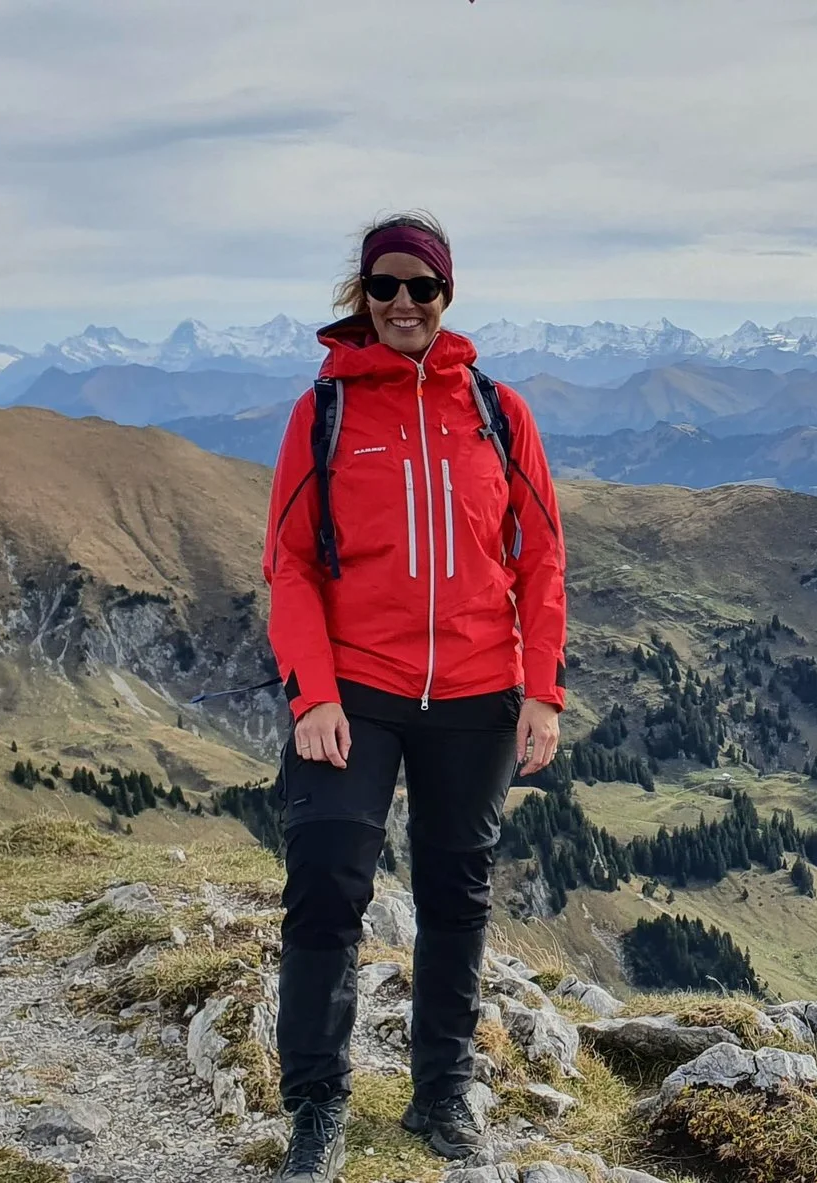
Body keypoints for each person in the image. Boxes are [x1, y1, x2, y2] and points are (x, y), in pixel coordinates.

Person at [260, 212, 567, 1181]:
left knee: (455, 897)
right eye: (384, 286)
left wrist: (543, 690)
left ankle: (440, 1096)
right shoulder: (325, 412)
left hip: (481, 689)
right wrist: (313, 694)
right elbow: (291, 564)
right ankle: (316, 1107)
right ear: (361, 295)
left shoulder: (497, 410)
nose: (402, 303)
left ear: (446, 296)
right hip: (357, 686)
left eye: (421, 287)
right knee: (325, 883)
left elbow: (541, 556)